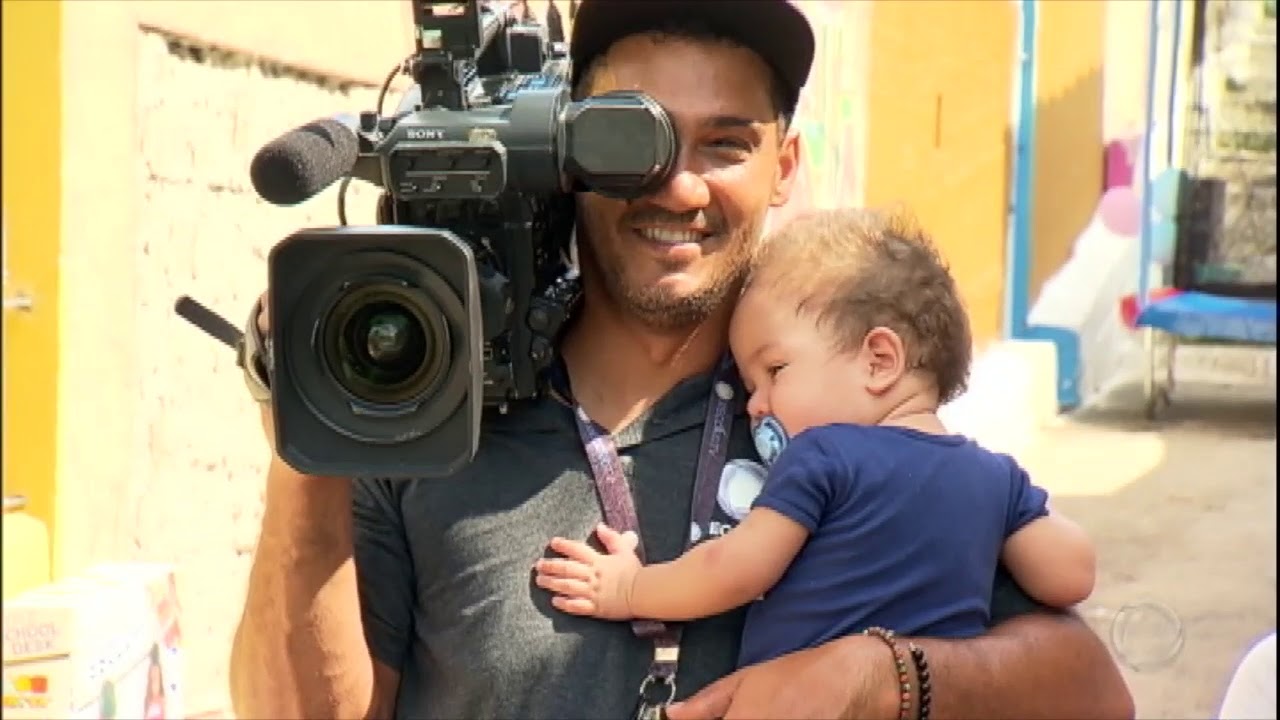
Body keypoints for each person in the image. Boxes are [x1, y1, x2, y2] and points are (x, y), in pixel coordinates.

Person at [228, 2, 1135, 718]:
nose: (680, 185)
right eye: (633, 137)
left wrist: (881, 679)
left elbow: (1091, 691)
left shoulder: (827, 398)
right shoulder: (432, 404)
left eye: (726, 143)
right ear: (567, 157)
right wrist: (309, 446)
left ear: (784, 166)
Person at [534, 208, 1097, 670]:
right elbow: (1071, 575)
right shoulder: (995, 477)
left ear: (879, 360)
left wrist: (629, 591)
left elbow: (733, 569)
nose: (756, 406)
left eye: (774, 370)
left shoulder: (822, 455)